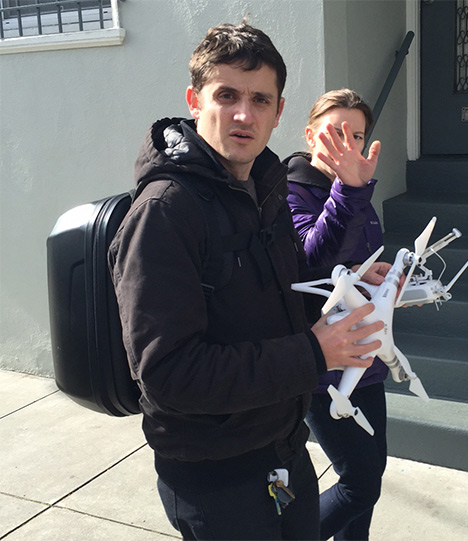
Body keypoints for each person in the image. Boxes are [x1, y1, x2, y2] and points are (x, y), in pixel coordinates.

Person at [108, 25, 389, 541]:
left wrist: (364, 289)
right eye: (227, 96)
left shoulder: (264, 189)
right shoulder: (165, 213)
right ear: (195, 101)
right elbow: (169, 375)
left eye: (260, 100)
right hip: (217, 476)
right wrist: (313, 352)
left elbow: (299, 283)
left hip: (282, 450)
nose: (244, 114)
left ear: (278, 112)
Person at [285, 89, 388, 540]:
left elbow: (350, 268)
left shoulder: (354, 189)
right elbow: (313, 259)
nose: (348, 145)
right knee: (359, 482)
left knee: (372, 472)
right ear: (310, 136)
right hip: (325, 362)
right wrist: (350, 189)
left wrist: (384, 280)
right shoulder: (288, 193)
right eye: (335, 133)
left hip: (365, 353)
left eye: (357, 135)